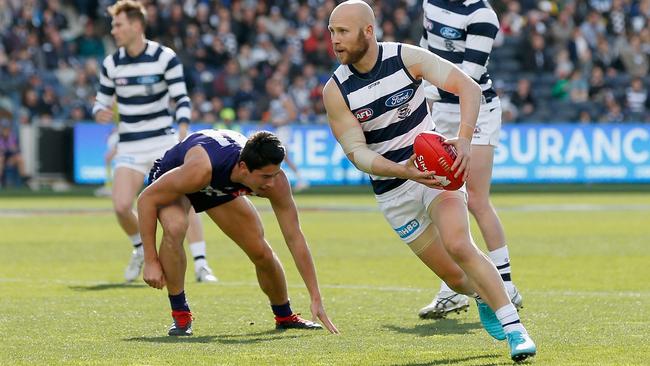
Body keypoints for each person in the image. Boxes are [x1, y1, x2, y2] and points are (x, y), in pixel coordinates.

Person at [323, 1, 535, 361]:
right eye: (332, 33)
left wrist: (464, 138)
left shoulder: (406, 57)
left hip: (435, 174)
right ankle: (483, 295)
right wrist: (403, 170)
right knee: (455, 279)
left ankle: (516, 330)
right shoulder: (335, 91)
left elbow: (468, 86)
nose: (335, 40)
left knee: (459, 244)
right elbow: (356, 153)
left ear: (368, 31)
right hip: (393, 191)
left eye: (342, 31)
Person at [137, 129, 338, 336]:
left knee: (260, 251)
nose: (270, 183)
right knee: (176, 226)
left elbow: (295, 237)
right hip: (179, 175)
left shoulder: (275, 181)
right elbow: (145, 200)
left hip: (217, 184)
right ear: (243, 168)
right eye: (265, 176)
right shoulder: (200, 169)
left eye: (275, 174)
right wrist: (151, 260)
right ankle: (181, 315)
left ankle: (284, 316)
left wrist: (315, 297)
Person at [92, 0, 216, 283]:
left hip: (163, 142)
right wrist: (98, 110)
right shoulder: (112, 63)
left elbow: (181, 98)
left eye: (118, 24)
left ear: (136, 26)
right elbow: (100, 100)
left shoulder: (164, 57)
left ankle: (201, 263)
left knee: (186, 199)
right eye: (113, 25)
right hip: (130, 145)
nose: (114, 30)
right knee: (122, 205)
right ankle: (139, 248)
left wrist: (183, 128)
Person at [418, 0, 523, 319]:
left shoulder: (482, 16)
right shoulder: (430, 2)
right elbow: (426, 48)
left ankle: (505, 286)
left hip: (475, 110)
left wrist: (425, 95)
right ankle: (452, 289)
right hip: (439, 107)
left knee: (476, 199)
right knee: (442, 200)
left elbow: (470, 75)